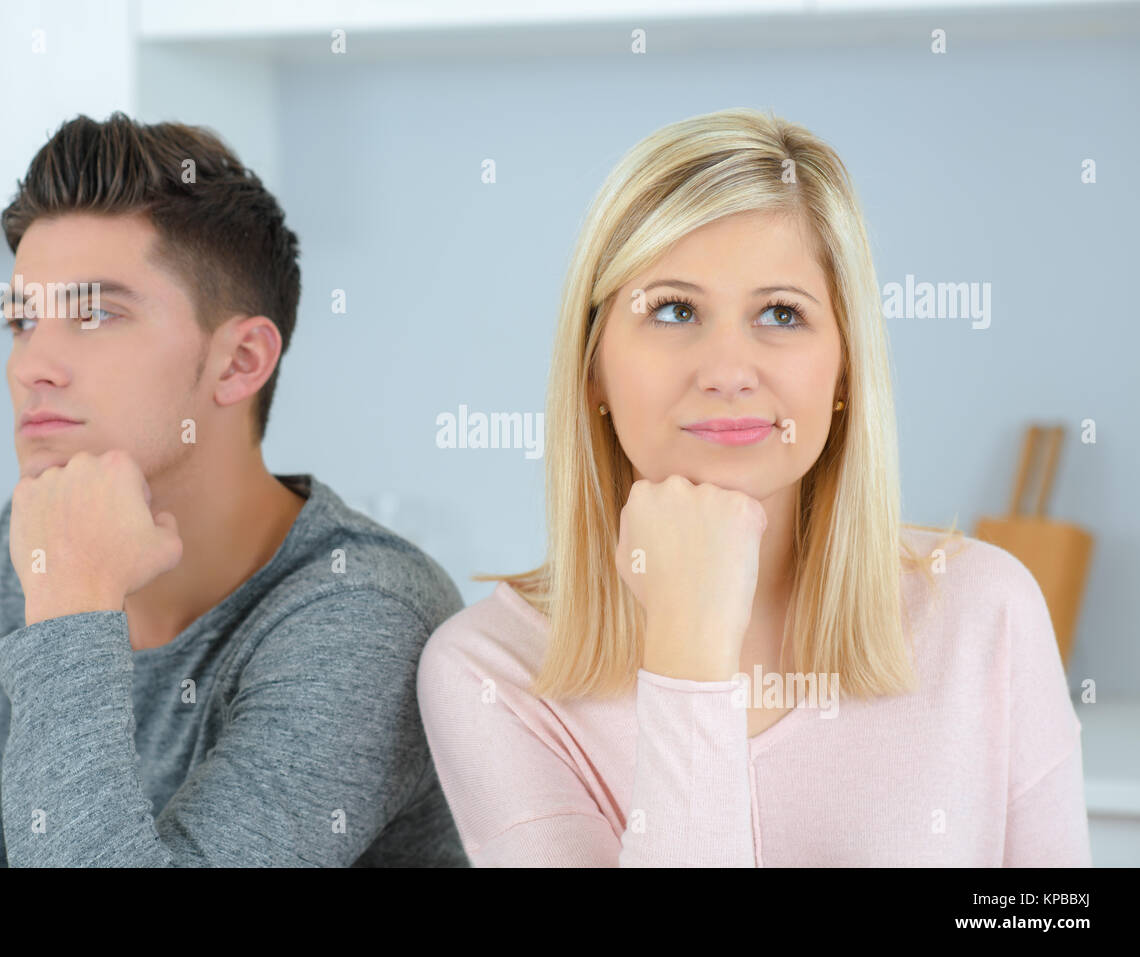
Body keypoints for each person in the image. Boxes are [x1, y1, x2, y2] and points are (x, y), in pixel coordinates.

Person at [415, 107, 1090, 867]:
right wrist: (691, 646)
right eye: (673, 310)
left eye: (780, 312)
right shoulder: (490, 671)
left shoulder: (984, 609)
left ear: (844, 370)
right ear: (593, 368)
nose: (728, 370)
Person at [0, 112, 467, 867]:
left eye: (94, 314)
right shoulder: (37, 536)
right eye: (21, 320)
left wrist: (70, 614)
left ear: (240, 361)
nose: (31, 366)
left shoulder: (365, 612)